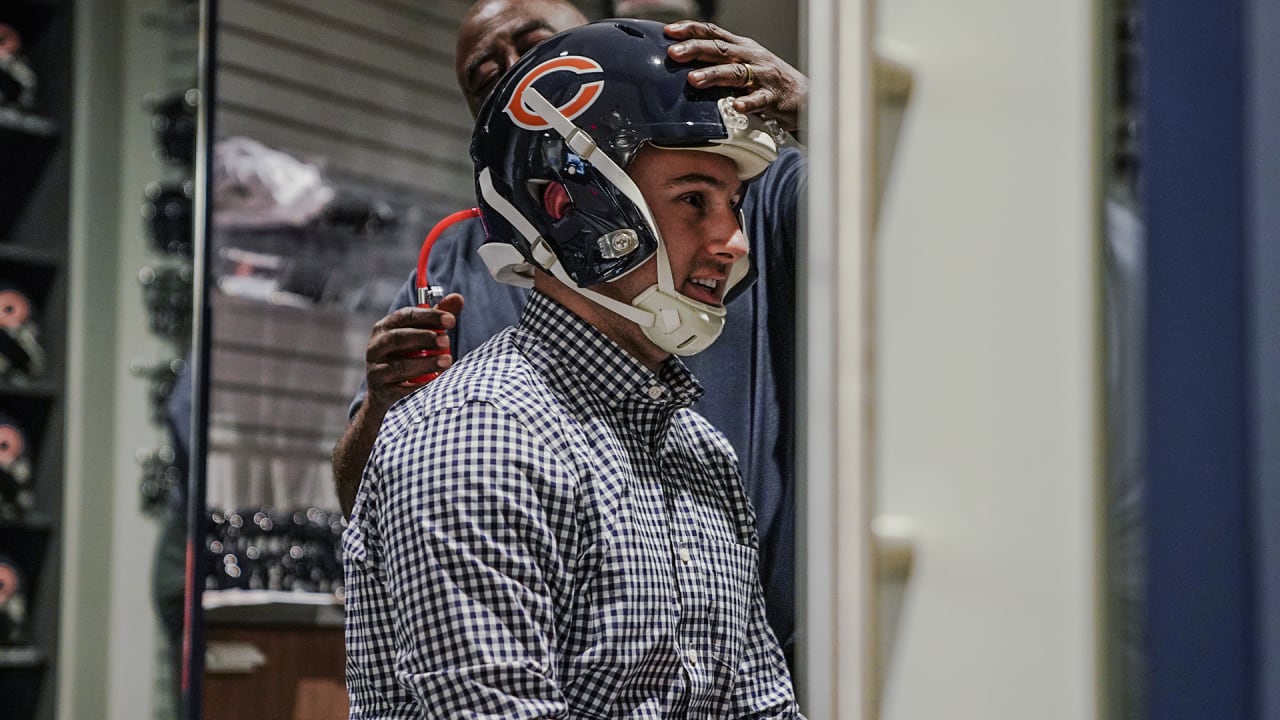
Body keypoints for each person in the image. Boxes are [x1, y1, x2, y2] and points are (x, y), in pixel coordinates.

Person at [343, 19, 802, 717]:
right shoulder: (475, 442)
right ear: (569, 204)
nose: (733, 243)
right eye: (693, 202)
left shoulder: (702, 456)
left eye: (732, 206)